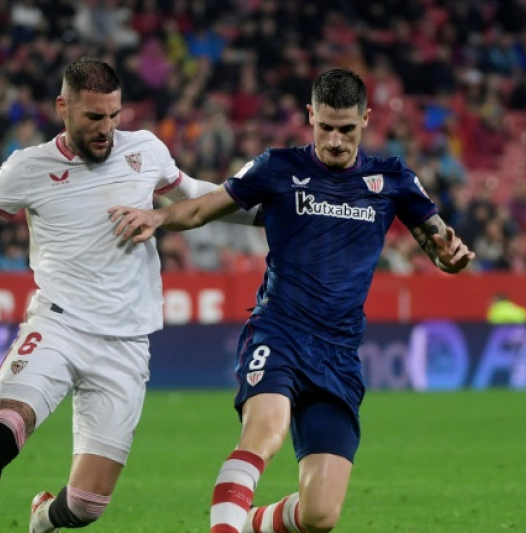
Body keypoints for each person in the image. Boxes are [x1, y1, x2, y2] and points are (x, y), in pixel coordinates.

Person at [0, 57, 258, 533]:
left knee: (86, 506)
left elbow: (199, 195)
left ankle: (44, 517)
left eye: (114, 115)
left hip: (125, 343)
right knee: (7, 426)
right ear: (63, 108)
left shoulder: (145, 150)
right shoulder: (29, 167)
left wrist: (269, 211)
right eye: (94, 117)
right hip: (58, 325)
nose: (107, 129)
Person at [109, 68, 475, 533]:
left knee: (320, 515)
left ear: (366, 119)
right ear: (310, 117)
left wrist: (450, 258)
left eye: (347, 129)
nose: (336, 141)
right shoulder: (278, 168)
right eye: (326, 127)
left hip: (338, 355)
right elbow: (203, 208)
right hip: (278, 333)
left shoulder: (393, 179)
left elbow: (439, 244)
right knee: (265, 433)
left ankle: (247, 523)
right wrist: (157, 219)